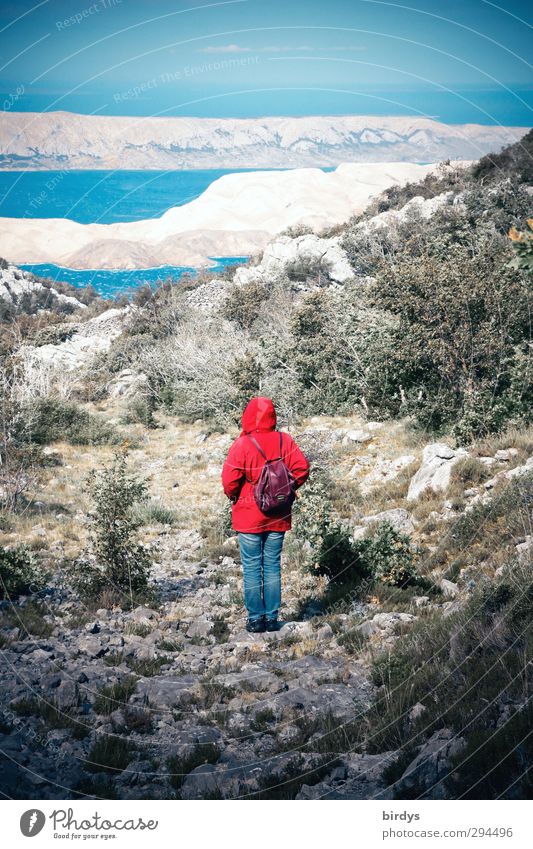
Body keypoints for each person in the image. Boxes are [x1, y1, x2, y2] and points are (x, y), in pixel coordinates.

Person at [221, 397, 310, 633]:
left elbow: (229, 481)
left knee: (252, 566)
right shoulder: (285, 440)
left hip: (249, 515)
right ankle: (272, 619)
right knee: (272, 565)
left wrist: (236, 497)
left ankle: (255, 620)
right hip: (278, 514)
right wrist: (286, 489)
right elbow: (302, 468)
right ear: (273, 417)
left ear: (248, 416)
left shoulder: (242, 444)